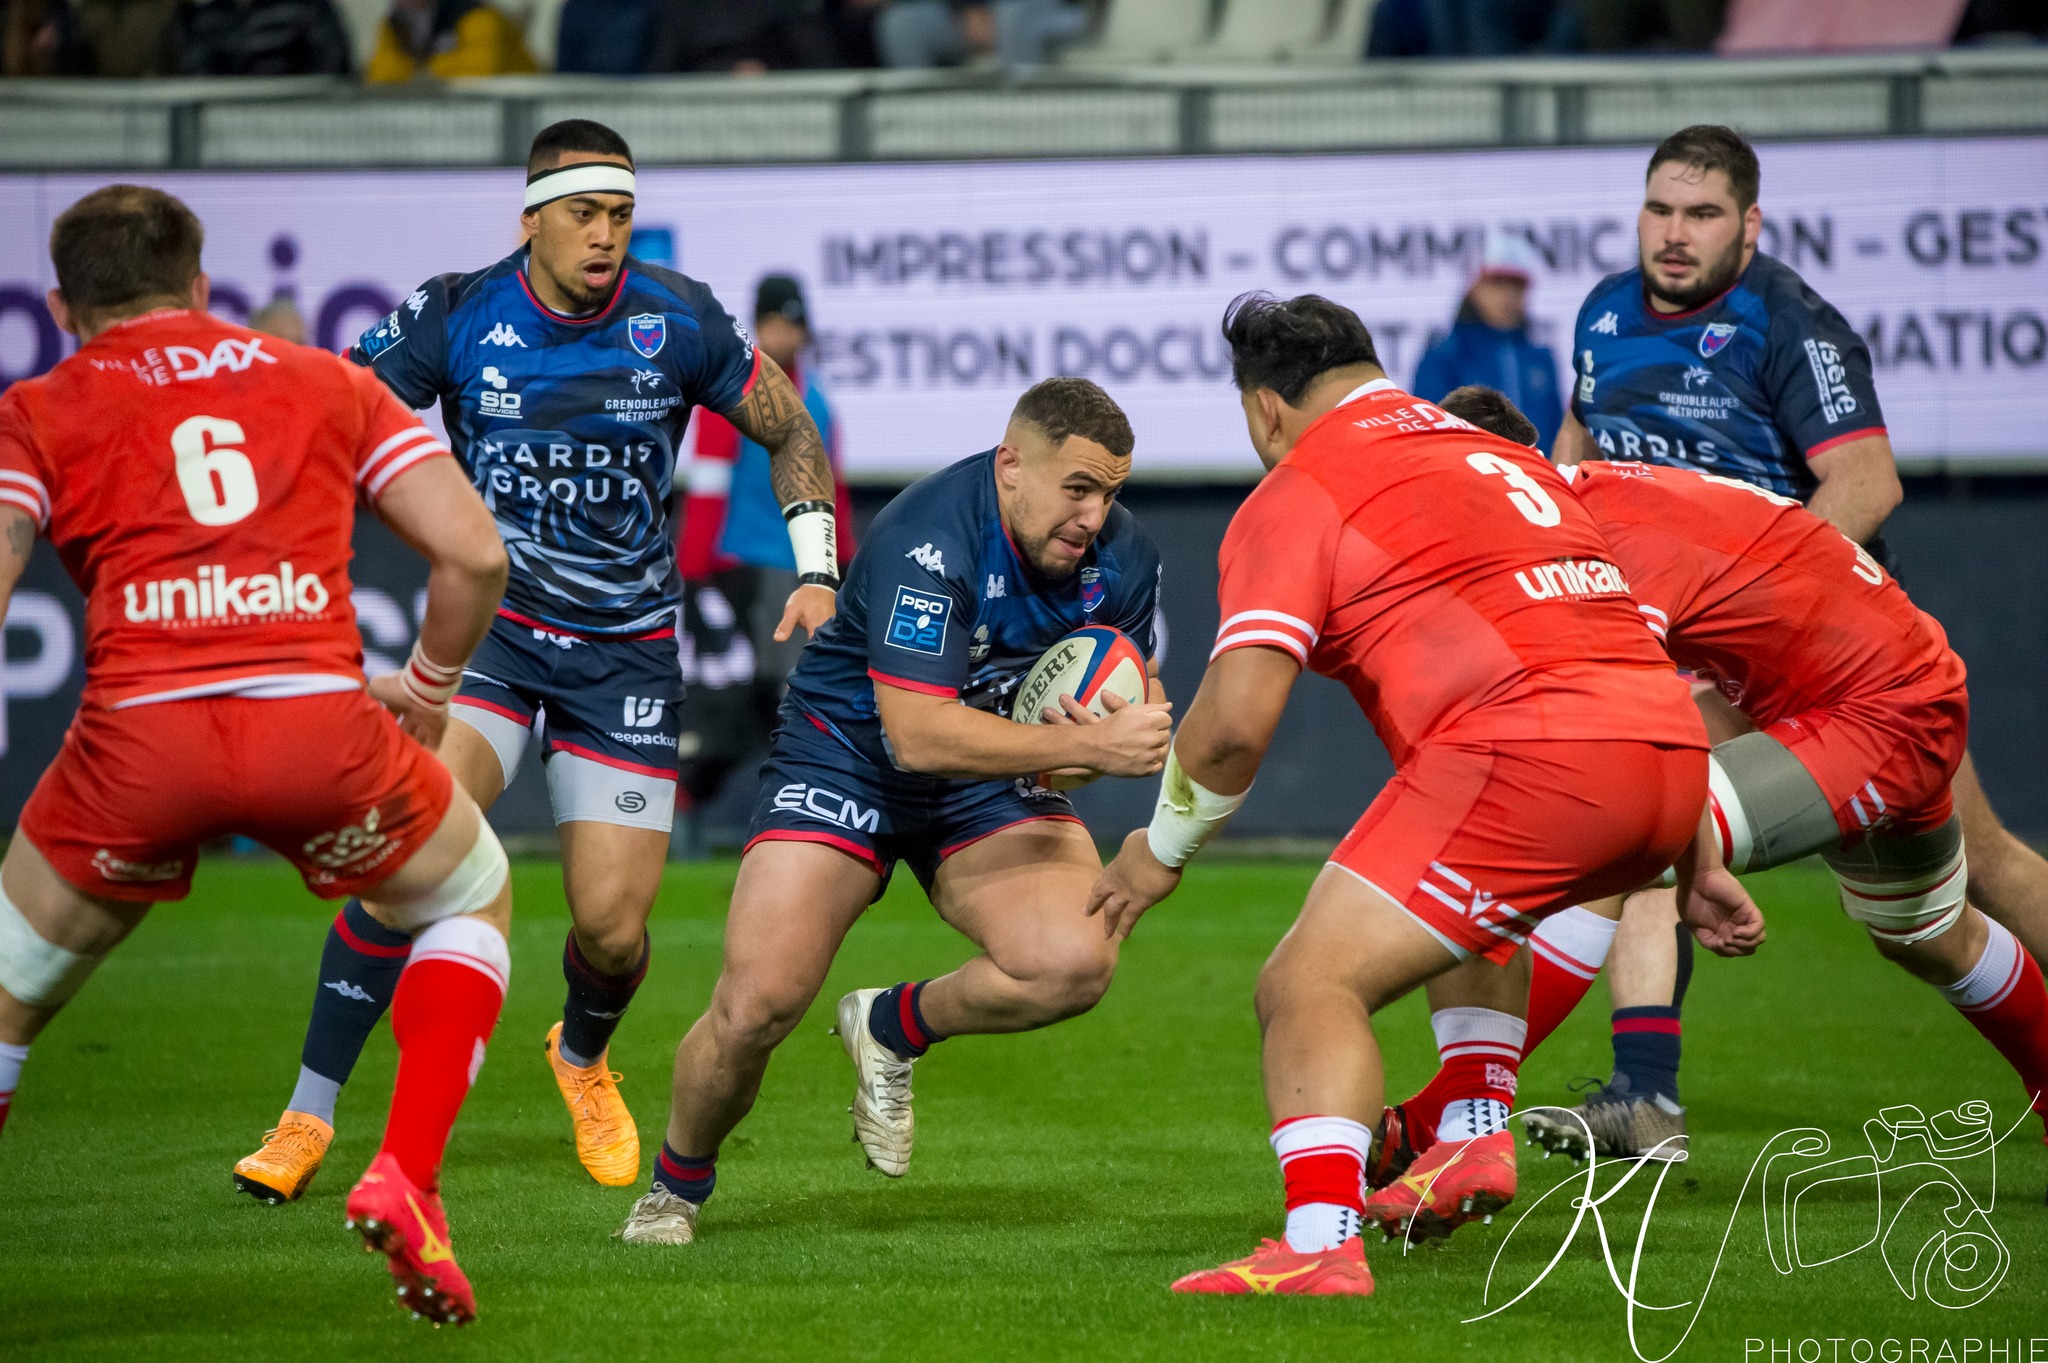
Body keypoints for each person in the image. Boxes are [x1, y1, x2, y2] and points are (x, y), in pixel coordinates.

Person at [231, 119, 841, 1204]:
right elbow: (337, 420)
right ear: (531, 222)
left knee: (611, 931)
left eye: (619, 215)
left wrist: (816, 566)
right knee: (404, 858)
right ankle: (306, 1112)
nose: (604, 237)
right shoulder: (459, 311)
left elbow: (790, 428)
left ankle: (579, 1056)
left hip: (627, 655)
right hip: (497, 643)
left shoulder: (676, 316)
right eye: (582, 215)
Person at [1085, 293, 1716, 1297]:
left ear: (1261, 409)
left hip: (1533, 751)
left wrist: (1154, 851)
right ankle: (1470, 1130)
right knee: (1473, 909)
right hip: (1670, 748)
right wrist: (1698, 857)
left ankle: (1318, 1241)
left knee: (1305, 985)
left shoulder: (1301, 488)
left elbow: (1235, 724)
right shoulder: (1498, 453)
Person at [0, 185, 514, 1324]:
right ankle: (408, 1181)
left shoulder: (38, 406)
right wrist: (423, 694)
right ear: (199, 287)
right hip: (318, 735)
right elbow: (474, 556)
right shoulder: (325, 379)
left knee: (6, 1004)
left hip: (136, 745)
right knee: (470, 896)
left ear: (59, 307)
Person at [1373, 386, 2048, 1220]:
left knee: (1609, 850)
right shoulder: (1592, 499)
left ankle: (1447, 1122)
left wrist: (1688, 859)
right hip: (1876, 683)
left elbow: (1638, 725)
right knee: (1929, 934)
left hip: (1876, 707)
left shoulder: (1590, 538)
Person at [1547, 122, 2048, 1155]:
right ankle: (1643, 1093)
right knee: (1646, 815)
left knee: (1976, 874)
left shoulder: (1789, 325)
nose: (1673, 235)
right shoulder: (1601, 312)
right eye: (1658, 210)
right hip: (1689, 642)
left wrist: (1746, 591)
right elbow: (1577, 452)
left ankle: (1637, 1090)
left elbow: (1865, 483)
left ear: (1748, 224)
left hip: (1825, 647)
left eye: (1701, 215)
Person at [616, 377, 1173, 1247]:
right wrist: (1090, 752)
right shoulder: (931, 535)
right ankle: (675, 1186)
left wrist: (1102, 745)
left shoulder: (1123, 559)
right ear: (1011, 466)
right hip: (851, 751)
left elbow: (1127, 699)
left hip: (985, 764)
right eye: (1078, 488)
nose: (1096, 515)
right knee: (760, 1001)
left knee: (1074, 960)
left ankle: (892, 1023)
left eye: (1110, 492)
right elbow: (915, 736)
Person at [674, 274, 856, 819]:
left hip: (802, 568)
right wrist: (692, 572)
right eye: (774, 323)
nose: (784, 335)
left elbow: (832, 486)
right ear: (757, 325)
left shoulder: (817, 399)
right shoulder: (733, 391)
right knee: (791, 691)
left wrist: (841, 560)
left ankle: (692, 790)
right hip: (751, 562)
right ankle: (796, 809)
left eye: (793, 324)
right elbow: (708, 486)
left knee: (766, 695)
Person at [1412, 231, 1563, 453]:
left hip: (1538, 480)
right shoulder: (1444, 356)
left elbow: (1557, 432)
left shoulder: (1540, 358)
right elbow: (1428, 434)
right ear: (1475, 286)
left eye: (1516, 286)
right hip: (1470, 481)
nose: (1507, 297)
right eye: (1497, 284)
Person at [364, 0, 534, 81]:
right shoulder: (395, 23)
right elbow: (379, 75)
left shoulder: (476, 15)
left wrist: (419, 73)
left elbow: (478, 73)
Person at [174, 0, 353, 74]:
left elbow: (332, 77)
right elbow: (198, 81)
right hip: (225, 136)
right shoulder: (206, 19)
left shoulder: (307, 10)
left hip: (298, 128)